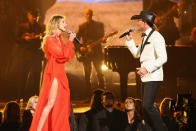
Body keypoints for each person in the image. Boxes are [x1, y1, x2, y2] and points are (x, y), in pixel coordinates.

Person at [29, 14, 76, 131]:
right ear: (56, 24)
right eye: (63, 22)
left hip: (60, 72)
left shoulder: (59, 39)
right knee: (50, 103)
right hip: (54, 72)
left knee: (60, 104)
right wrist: (70, 41)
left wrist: (69, 43)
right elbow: (61, 54)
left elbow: (68, 55)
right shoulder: (50, 40)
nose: (66, 24)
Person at [125, 10, 168, 131]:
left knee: (148, 106)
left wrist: (147, 69)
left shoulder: (157, 37)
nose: (138, 23)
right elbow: (136, 54)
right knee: (144, 108)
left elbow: (163, 58)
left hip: (153, 76)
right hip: (145, 77)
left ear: (145, 22)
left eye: (139, 20)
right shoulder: (145, 37)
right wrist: (130, 41)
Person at [15, 9, 45, 99]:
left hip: (37, 55)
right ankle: (20, 97)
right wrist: (24, 38)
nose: (35, 18)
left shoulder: (42, 27)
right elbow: (16, 39)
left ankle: (36, 97)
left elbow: (46, 38)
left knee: (37, 77)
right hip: (25, 56)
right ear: (28, 16)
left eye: (36, 15)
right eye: (32, 15)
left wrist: (39, 37)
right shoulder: (22, 26)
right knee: (23, 77)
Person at [75, 8, 105, 89]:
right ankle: (88, 95)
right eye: (87, 14)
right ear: (85, 15)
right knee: (87, 74)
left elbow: (102, 39)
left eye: (90, 14)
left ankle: (102, 94)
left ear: (92, 15)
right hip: (86, 54)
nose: (89, 15)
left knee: (99, 73)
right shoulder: (82, 26)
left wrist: (104, 40)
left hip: (97, 52)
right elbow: (76, 39)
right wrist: (80, 47)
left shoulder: (99, 25)